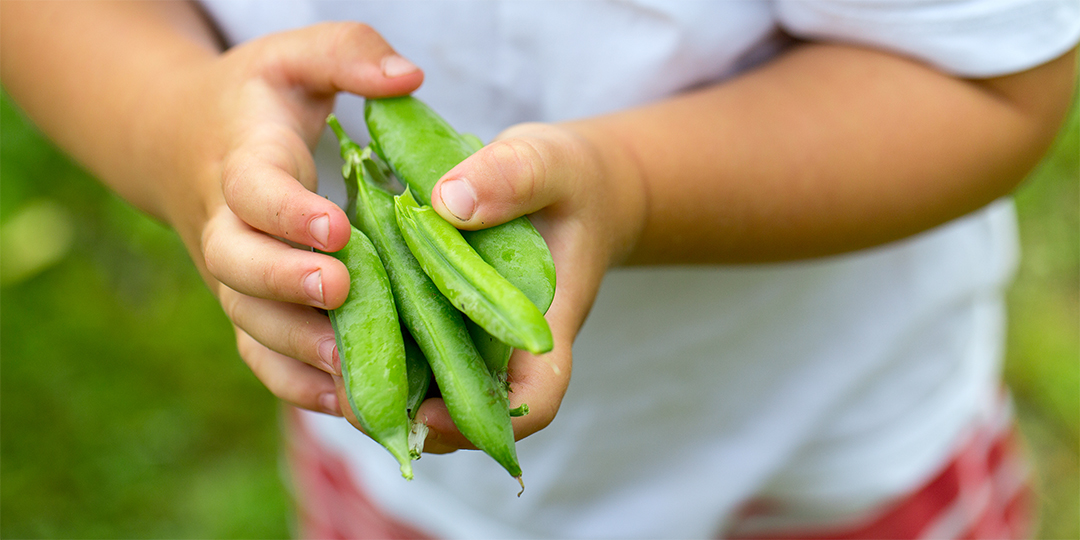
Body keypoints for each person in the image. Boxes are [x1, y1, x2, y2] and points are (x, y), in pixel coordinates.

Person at [2, 1, 1076, 538]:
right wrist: (174, 128)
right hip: (414, 485)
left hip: (830, 456)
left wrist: (635, 187)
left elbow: (989, 88)